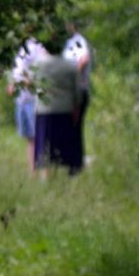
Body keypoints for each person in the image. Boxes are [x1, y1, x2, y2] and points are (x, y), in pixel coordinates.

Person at [32, 34, 83, 176]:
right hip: (64, 109)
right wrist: (76, 107)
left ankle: (45, 174)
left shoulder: (38, 65)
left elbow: (31, 83)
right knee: (64, 141)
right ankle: (65, 169)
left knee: (44, 143)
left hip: (43, 109)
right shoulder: (70, 66)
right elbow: (77, 91)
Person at [6, 37, 43, 170]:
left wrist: (25, 81)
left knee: (39, 136)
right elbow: (17, 70)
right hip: (21, 100)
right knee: (30, 138)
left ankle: (44, 173)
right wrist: (12, 83)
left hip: (33, 100)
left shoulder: (38, 47)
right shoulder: (22, 46)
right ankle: (32, 171)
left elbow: (40, 71)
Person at [62, 21, 93, 155]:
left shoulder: (78, 41)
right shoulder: (66, 44)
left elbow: (84, 59)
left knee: (74, 126)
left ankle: (76, 160)